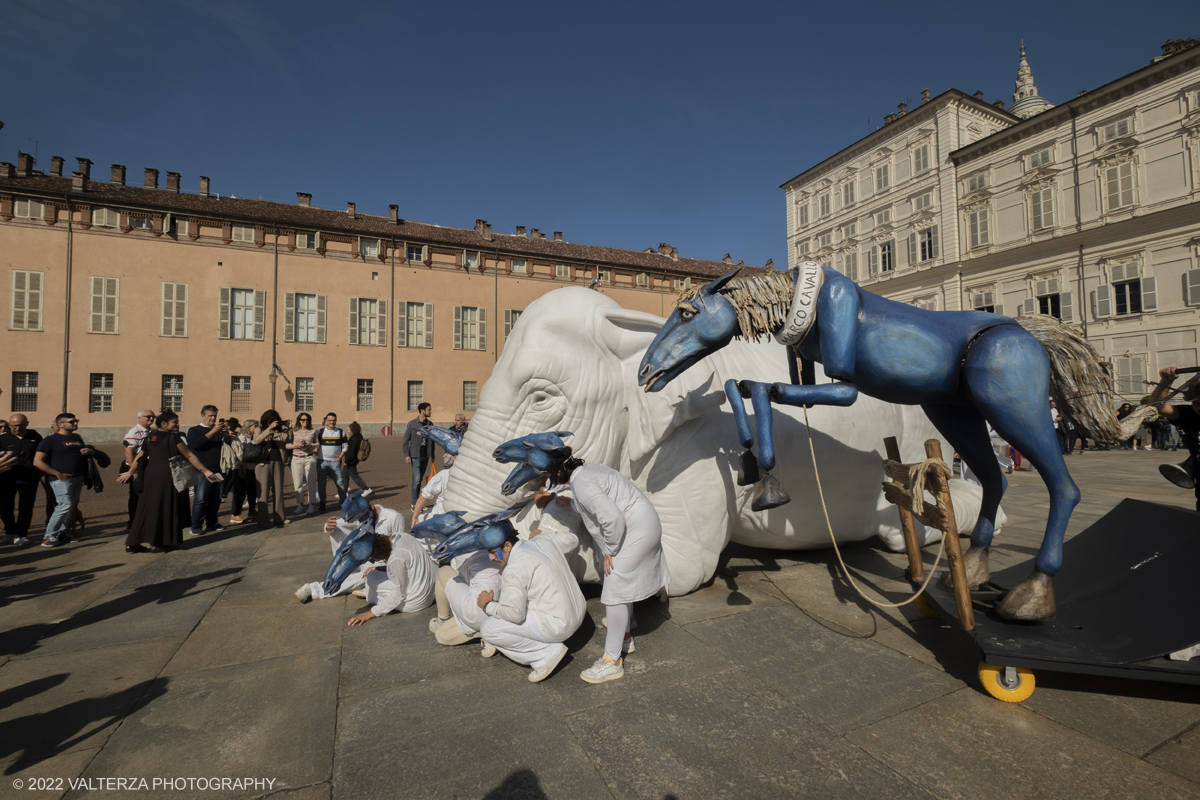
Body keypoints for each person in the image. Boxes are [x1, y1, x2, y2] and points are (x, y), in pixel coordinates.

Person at [546, 449, 669, 684]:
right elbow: (595, 503)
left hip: (634, 529)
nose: (548, 479)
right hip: (644, 523)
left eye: (549, 474)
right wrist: (571, 503)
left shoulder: (580, 481)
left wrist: (610, 550)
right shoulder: (585, 471)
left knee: (614, 591)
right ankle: (625, 633)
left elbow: (612, 518)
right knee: (622, 584)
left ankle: (612, 661)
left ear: (560, 471)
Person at [476, 524, 586, 683]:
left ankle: (545, 655)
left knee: (488, 628)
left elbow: (515, 614)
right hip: (579, 613)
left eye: (493, 553)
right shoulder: (543, 539)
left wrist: (487, 605)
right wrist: (545, 532)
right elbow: (573, 540)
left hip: (559, 627)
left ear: (507, 546)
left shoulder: (513, 570)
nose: (491, 558)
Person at [120, 410, 220, 553]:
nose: (178, 424)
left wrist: (131, 471)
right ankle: (160, 543)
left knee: (146, 509)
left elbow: (141, 455)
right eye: (175, 422)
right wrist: (205, 470)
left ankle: (132, 542)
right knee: (166, 508)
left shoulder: (150, 436)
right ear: (164, 423)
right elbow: (190, 456)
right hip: (168, 477)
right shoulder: (174, 438)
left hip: (150, 477)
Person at [33, 413, 94, 548]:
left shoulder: (77, 438)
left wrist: (88, 452)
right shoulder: (50, 440)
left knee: (70, 507)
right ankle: (48, 536)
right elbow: (37, 462)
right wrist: (58, 474)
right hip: (61, 479)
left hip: (77, 478)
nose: (75, 423)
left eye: (76, 421)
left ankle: (61, 534)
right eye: (71, 422)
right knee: (64, 506)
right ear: (60, 424)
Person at [1148, 367, 1200, 511]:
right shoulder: (1190, 415)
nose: (1198, 407)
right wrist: (1166, 381)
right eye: (1196, 403)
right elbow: (1157, 408)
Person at [1, 414, 44, 546]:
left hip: (29, 477)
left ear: (27, 423)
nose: (17, 428)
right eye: (14, 426)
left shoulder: (35, 437)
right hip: (6, 477)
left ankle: (21, 534)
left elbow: (42, 455)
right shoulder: (2, 438)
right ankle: (9, 532)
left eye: (20, 425)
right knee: (5, 506)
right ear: (9, 425)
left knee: (26, 506)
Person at [185, 405, 227, 536]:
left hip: (218, 469)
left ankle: (212, 523)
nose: (213, 418)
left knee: (217, 498)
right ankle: (196, 525)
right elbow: (195, 445)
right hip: (202, 470)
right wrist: (213, 432)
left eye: (214, 415)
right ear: (202, 415)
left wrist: (225, 434)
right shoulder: (194, 430)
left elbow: (229, 445)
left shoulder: (219, 431)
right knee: (201, 499)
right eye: (210, 415)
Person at [253, 410, 291, 528]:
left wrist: (289, 428)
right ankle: (263, 520)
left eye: (276, 420)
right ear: (267, 420)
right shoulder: (259, 430)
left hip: (279, 462)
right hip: (263, 464)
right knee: (263, 493)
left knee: (278, 491)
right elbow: (256, 440)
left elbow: (289, 440)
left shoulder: (280, 431)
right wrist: (269, 429)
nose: (274, 422)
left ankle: (279, 518)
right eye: (271, 420)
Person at [121, 409, 155, 528]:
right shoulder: (134, 432)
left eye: (153, 416)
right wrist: (134, 471)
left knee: (148, 495)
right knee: (136, 496)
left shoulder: (152, 431)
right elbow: (129, 453)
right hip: (138, 468)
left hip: (149, 467)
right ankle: (133, 524)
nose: (151, 418)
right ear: (139, 418)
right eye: (148, 416)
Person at [403, 402, 434, 508]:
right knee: (416, 480)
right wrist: (407, 455)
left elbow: (432, 440)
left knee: (420, 480)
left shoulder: (430, 424)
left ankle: (418, 502)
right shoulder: (412, 424)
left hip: (425, 456)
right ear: (422, 410)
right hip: (415, 456)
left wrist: (432, 455)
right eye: (429, 409)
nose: (430, 411)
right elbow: (406, 440)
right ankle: (414, 503)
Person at [315, 412, 348, 512]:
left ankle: (343, 502)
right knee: (321, 483)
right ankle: (322, 503)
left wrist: (340, 457)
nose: (332, 422)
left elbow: (345, 446)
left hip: (335, 462)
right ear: (326, 421)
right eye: (329, 420)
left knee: (339, 483)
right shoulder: (319, 432)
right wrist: (315, 450)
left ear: (336, 421)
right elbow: (314, 444)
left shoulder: (341, 432)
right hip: (322, 462)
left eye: (333, 420)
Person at [288, 413, 318, 515]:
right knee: (298, 483)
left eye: (307, 419)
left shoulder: (313, 431)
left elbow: (317, 443)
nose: (305, 421)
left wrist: (311, 445)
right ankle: (300, 505)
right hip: (296, 458)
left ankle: (312, 504)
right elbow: (287, 445)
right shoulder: (293, 431)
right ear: (299, 420)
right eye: (303, 419)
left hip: (309, 457)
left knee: (311, 482)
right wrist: (295, 446)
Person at [411, 452, 454, 523]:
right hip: (459, 517)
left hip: (439, 517)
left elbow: (422, 498)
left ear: (455, 457)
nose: (443, 456)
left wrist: (415, 517)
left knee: (419, 521)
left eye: (447, 453)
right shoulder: (467, 476)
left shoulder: (441, 476)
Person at [343, 421, 369, 492]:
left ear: (352, 430)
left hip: (351, 461)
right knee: (344, 475)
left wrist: (347, 461)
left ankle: (365, 488)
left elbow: (351, 452)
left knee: (354, 475)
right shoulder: (357, 437)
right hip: (352, 460)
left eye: (348, 430)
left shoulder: (354, 439)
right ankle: (344, 492)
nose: (348, 431)